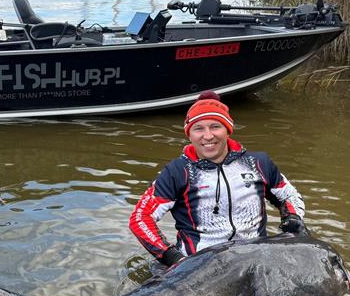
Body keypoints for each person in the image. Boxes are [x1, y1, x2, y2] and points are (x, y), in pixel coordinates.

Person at [129, 91, 307, 268]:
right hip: (197, 267)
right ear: (189, 134)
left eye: (215, 126)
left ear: (228, 130)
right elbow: (140, 218)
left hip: (253, 262)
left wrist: (292, 218)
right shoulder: (176, 172)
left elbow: (289, 196)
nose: (207, 136)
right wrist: (172, 257)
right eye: (198, 128)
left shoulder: (258, 163)